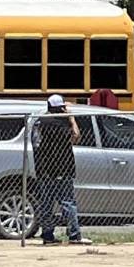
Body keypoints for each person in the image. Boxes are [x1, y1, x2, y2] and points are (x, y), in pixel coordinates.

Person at [33, 94, 91, 246]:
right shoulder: (62, 122)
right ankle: (74, 235)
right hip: (62, 169)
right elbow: (76, 137)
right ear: (61, 108)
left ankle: (47, 235)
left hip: (43, 170)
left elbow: (36, 144)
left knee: (46, 203)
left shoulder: (40, 121)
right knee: (68, 202)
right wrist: (71, 118)